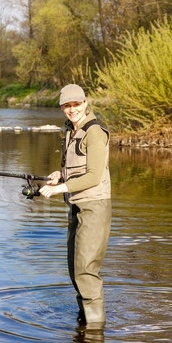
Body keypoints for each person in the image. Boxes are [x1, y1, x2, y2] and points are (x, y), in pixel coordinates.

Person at [39, 84, 111, 327]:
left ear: (85, 103)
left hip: (95, 207)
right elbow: (76, 168)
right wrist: (60, 175)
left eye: (76, 104)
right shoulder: (70, 130)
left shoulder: (95, 131)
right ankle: (84, 321)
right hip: (76, 206)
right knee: (74, 269)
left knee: (86, 270)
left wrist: (59, 188)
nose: (72, 110)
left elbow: (94, 176)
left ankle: (94, 332)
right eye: (67, 106)